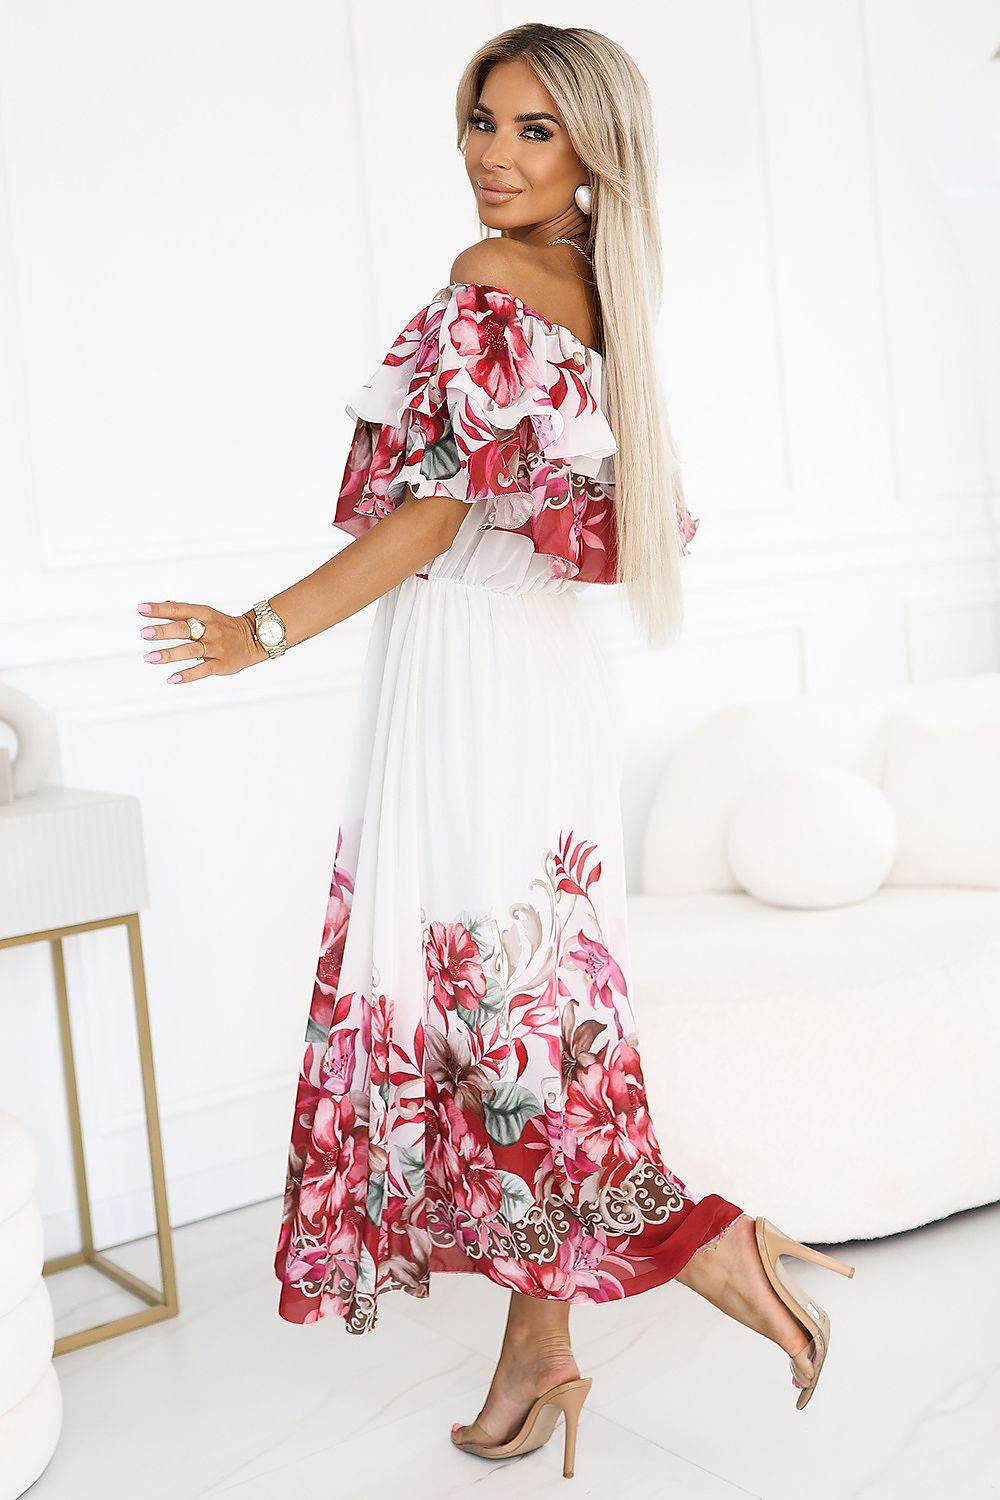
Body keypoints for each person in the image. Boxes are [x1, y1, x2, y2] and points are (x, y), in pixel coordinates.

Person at [137, 22, 855, 1482]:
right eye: (482, 120)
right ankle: (541, 1350)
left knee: (495, 1018)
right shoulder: (604, 289)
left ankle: (712, 1248)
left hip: (469, 677)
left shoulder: (493, 282)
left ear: (595, 149)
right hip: (534, 677)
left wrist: (259, 630)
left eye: (534, 130)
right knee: (521, 1015)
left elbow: (429, 517)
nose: (493, 155)